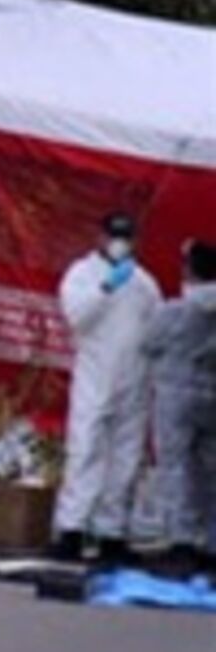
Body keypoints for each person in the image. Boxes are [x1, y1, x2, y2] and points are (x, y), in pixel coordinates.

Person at [51, 213, 162, 561]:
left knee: (126, 457)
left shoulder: (145, 284)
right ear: (99, 236)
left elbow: (156, 329)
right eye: (115, 236)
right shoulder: (81, 275)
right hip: (95, 374)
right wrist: (106, 288)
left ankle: (112, 532)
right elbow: (76, 316)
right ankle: (72, 528)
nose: (120, 243)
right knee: (84, 449)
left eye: (127, 237)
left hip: (134, 377)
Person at [128, 240, 216, 578]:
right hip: (212, 394)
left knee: (175, 468)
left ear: (189, 270)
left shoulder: (175, 311)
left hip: (176, 394)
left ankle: (182, 541)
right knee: (210, 471)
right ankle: (210, 540)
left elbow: (147, 342)